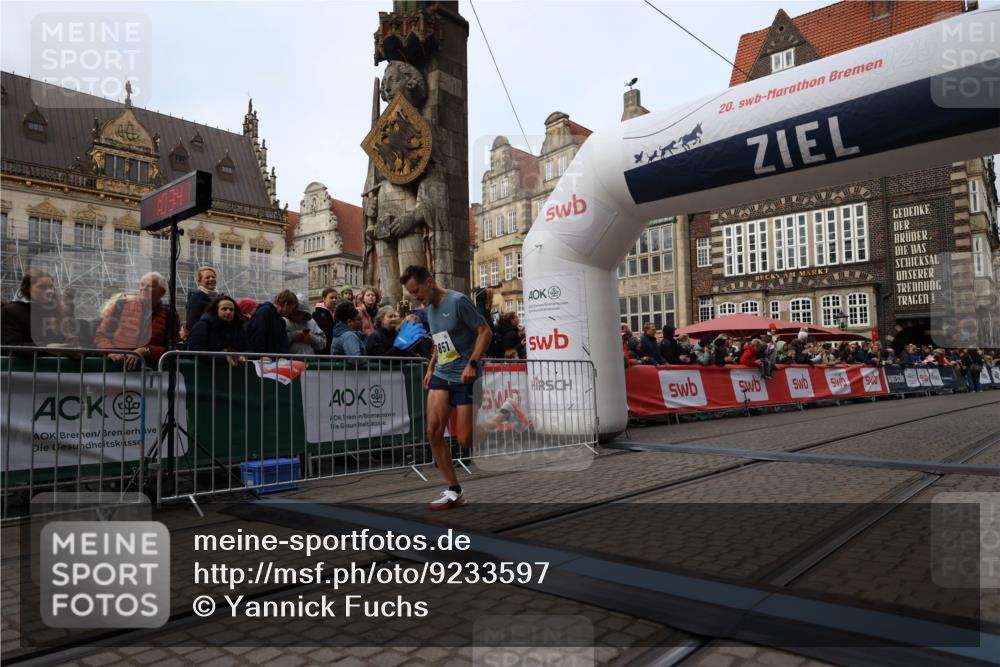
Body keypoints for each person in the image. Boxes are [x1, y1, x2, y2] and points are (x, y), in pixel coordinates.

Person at [400, 265, 491, 510]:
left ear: (429, 282)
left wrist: (472, 363)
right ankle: (454, 490)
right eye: (412, 293)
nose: (415, 297)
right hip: (442, 374)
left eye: (417, 291)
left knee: (466, 440)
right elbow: (441, 341)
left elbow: (485, 332)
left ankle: (504, 413)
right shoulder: (429, 308)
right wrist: (431, 368)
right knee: (433, 431)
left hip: (465, 376)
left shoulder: (458, 301)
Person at [95, 272, 178, 369]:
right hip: (116, 369)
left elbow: (170, 348)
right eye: (142, 284)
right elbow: (101, 335)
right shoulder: (120, 306)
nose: (144, 288)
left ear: (162, 292)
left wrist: (146, 351)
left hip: (148, 371)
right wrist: (111, 351)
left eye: (150, 286)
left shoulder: (169, 315)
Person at [1, 269, 78, 353]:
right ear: (28, 288)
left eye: (51, 287)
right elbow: (10, 345)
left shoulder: (57, 312)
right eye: (42, 287)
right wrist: (45, 348)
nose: (49, 291)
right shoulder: (11, 311)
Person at [187, 296, 248, 366]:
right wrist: (222, 358)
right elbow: (195, 350)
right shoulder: (203, 325)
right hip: (209, 369)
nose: (228, 312)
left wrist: (244, 356)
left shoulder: (239, 327)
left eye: (231, 309)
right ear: (216, 310)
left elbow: (248, 348)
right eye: (224, 309)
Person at [247, 290, 298, 355]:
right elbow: (258, 336)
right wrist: (262, 355)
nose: (291, 312)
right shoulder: (264, 312)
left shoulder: (281, 320)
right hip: (261, 358)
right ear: (286, 305)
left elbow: (283, 342)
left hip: (271, 358)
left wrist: (283, 356)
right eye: (291, 309)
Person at [184, 266, 218, 335]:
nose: (211, 279)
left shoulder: (219, 298)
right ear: (199, 281)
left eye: (213, 277)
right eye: (207, 277)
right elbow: (192, 324)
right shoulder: (195, 299)